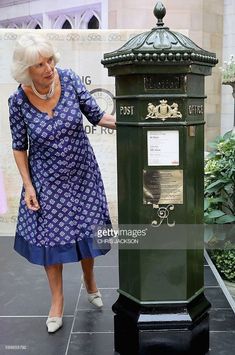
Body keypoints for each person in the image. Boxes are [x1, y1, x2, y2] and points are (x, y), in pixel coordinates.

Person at [8, 33, 116, 334]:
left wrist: (135, 122)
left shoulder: (68, 79)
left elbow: (97, 116)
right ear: (26, 70)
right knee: (51, 240)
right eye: (40, 64)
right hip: (46, 179)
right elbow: (19, 147)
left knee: (89, 231)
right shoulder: (17, 101)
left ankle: (90, 281)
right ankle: (57, 301)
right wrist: (29, 186)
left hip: (82, 172)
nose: (48, 67)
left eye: (50, 60)